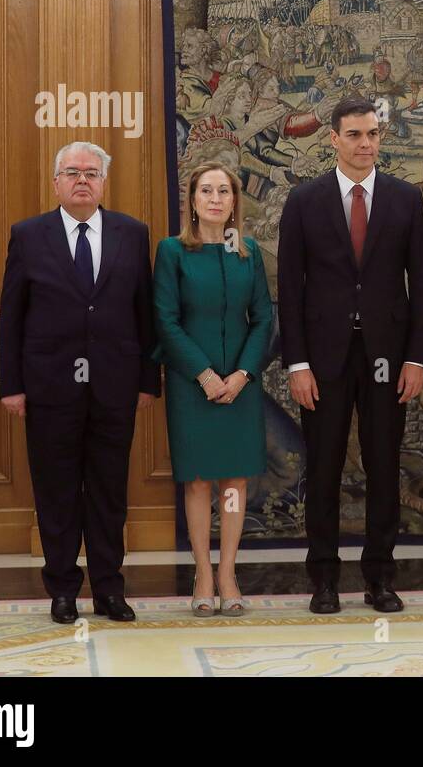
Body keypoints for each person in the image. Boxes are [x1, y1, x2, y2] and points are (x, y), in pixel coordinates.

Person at [278, 97, 423, 615]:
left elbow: (422, 285)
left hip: (389, 358)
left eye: (372, 134)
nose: (365, 144)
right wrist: (296, 363)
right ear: (334, 139)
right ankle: (323, 579)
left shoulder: (406, 198)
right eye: (354, 135)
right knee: (322, 468)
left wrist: (418, 359)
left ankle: (380, 579)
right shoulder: (304, 200)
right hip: (322, 359)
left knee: (383, 466)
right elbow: (290, 289)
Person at [0, 142, 159, 623]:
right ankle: (63, 590)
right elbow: (12, 317)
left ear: (104, 182)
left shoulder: (132, 233)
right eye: (72, 172)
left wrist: (149, 379)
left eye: (91, 172)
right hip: (49, 388)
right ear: (56, 183)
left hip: (116, 385)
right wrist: (12, 385)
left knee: (109, 491)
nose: (82, 180)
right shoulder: (28, 236)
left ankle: (110, 589)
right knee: (57, 491)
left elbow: (144, 313)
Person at [153, 162, 273, 617]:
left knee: (234, 481)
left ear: (235, 202)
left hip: (240, 385)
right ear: (193, 200)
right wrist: (203, 374)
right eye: (207, 190)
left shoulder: (248, 251)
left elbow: (263, 317)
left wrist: (242, 374)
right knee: (199, 480)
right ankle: (203, 573)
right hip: (192, 383)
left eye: (224, 191)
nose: (216, 198)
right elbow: (164, 320)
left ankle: (228, 573)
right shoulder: (173, 251)